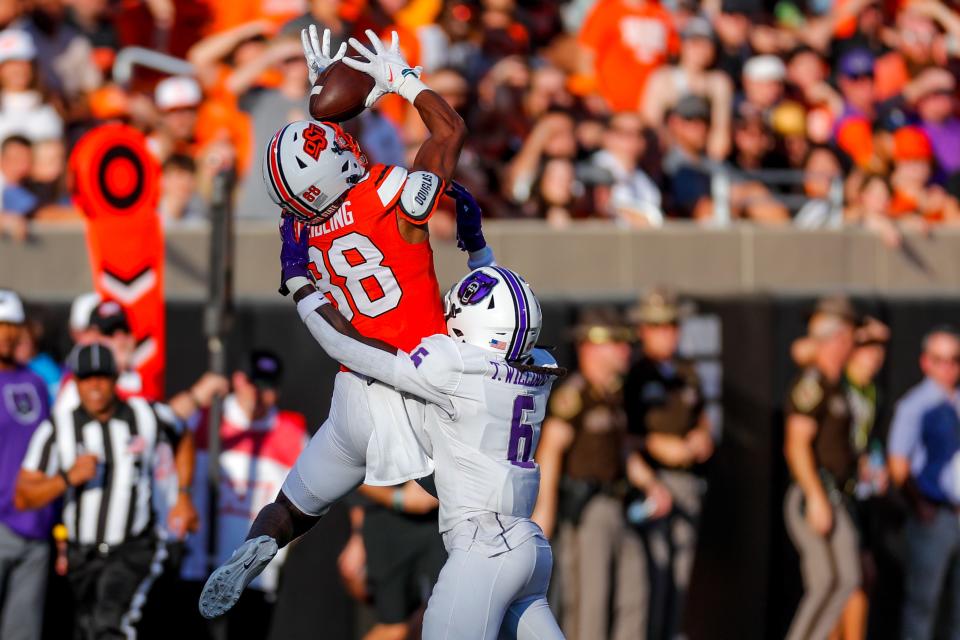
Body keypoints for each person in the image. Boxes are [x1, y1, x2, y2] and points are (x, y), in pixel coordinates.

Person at [199, 25, 469, 619]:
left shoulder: (298, 228)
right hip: (417, 383)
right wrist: (402, 81)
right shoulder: (386, 193)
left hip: (353, 394)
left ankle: (257, 545)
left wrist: (325, 95)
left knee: (294, 505)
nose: (345, 144)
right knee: (484, 526)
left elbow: (315, 172)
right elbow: (448, 132)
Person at [232, 212, 565, 638]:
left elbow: (348, 346)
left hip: (481, 546)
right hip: (528, 546)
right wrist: (479, 248)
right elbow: (505, 322)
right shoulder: (540, 365)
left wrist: (299, 281)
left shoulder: (455, 368)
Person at [13, 343, 224, 640]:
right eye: (87, 377)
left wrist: (184, 495)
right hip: (80, 554)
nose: (96, 385)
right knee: (86, 629)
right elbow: (23, 495)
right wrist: (66, 478)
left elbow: (182, 434)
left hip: (132, 548)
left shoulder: (145, 414)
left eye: (103, 376)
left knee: (109, 625)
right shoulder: (57, 428)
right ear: (75, 382)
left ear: (115, 379)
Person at [532, 307, 670, 640]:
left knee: (634, 593)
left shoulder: (611, 395)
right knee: (590, 605)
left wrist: (652, 485)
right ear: (591, 347)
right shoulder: (574, 395)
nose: (626, 351)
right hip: (587, 511)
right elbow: (550, 449)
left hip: (619, 505)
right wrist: (545, 511)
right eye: (617, 343)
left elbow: (622, 450)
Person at [181, 350, 307, 640]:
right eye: (254, 384)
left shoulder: (291, 434)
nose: (260, 395)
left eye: (269, 388)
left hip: (256, 577)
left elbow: (311, 500)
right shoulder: (206, 420)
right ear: (238, 380)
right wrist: (197, 394)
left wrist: (282, 547)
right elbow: (165, 423)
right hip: (200, 566)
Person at [623, 288, 713, 639]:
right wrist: (657, 445)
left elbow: (702, 416)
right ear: (643, 329)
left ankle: (671, 631)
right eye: (659, 326)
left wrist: (701, 437)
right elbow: (623, 435)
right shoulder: (635, 374)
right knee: (653, 572)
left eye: (673, 325)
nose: (669, 333)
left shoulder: (687, 371)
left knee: (680, 571)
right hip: (651, 482)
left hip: (688, 480)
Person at [782, 297, 860, 640]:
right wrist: (814, 496)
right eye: (849, 337)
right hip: (813, 491)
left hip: (834, 492)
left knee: (845, 578)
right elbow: (796, 443)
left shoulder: (836, 383)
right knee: (827, 581)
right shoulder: (812, 382)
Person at [888, 326, 960, 640]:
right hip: (934, 517)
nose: (948, 367)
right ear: (925, 362)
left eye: (954, 359)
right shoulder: (915, 406)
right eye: (939, 360)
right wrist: (920, 505)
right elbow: (898, 464)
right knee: (923, 605)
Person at [0, 290, 52, 640]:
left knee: (23, 632)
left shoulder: (35, 381)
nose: (7, 334)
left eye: (13, 326)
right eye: (1, 325)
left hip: (37, 524)